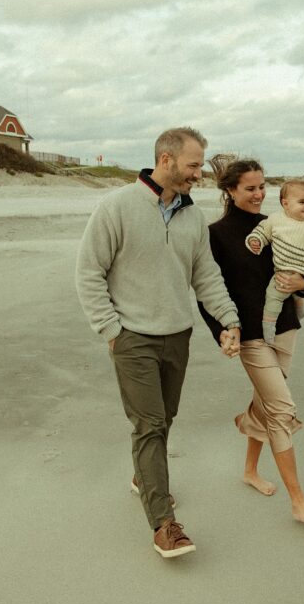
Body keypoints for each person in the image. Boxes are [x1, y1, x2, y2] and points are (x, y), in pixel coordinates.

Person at [75, 127, 242, 559]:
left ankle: (143, 477)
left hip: (177, 336)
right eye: (192, 165)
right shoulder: (116, 207)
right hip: (131, 337)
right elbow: (89, 272)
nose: (199, 174)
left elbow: (205, 275)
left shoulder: (192, 217)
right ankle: (163, 523)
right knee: (149, 424)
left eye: (200, 165)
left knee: (164, 417)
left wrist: (228, 320)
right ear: (165, 160)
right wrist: (110, 330)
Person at [198, 155, 304, 524]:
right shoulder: (215, 235)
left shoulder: (279, 224)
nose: (259, 194)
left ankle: (250, 471)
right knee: (282, 409)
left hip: (286, 326)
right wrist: (223, 331)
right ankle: (298, 501)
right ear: (230, 190)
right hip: (251, 336)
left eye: (262, 187)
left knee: (267, 400)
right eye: (250, 188)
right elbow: (207, 290)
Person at [246, 180, 304, 344]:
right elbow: (262, 231)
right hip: (283, 270)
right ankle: (285, 317)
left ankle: (268, 328)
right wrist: (256, 240)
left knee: (274, 296)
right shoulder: (275, 219)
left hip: (303, 271)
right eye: (302, 202)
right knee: (276, 296)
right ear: (285, 203)